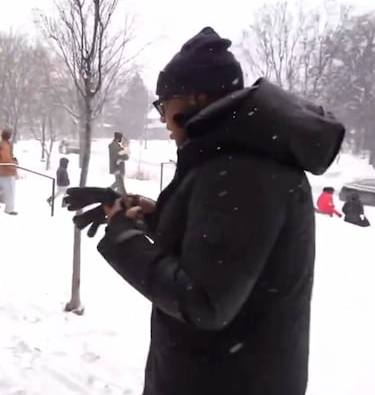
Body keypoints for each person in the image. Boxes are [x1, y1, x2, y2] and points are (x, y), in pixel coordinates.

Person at [82, 27, 345, 395]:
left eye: (164, 104)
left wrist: (124, 239)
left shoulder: (241, 171)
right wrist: (156, 218)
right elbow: (226, 253)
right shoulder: (238, 158)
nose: (161, 117)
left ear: (197, 98)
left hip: (223, 380)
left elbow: (204, 300)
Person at [0, 128, 18, 215]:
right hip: (6, 171)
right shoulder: (4, 146)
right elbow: (6, 159)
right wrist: (13, 165)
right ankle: (9, 209)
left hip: (3, 170)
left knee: (6, 190)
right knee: (10, 191)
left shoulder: (3, 144)